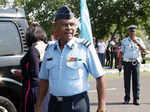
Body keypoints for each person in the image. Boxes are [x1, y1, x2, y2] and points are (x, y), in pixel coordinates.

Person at [36, 5, 106, 112]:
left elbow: (100, 77)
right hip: (54, 105)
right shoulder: (49, 49)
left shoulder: (84, 48)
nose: (69, 28)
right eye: (64, 24)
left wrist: (102, 105)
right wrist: (39, 104)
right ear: (55, 27)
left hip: (77, 104)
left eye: (72, 24)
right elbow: (44, 80)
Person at [20, 23, 49, 112]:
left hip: (34, 90)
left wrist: (22, 73)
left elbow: (34, 74)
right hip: (47, 89)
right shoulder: (48, 47)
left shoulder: (33, 49)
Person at [118, 25, 147, 105]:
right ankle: (127, 98)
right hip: (127, 63)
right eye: (131, 32)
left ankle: (136, 99)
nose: (132, 33)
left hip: (136, 63)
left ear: (135, 32)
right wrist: (119, 64)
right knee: (126, 81)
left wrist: (137, 43)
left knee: (136, 82)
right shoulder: (124, 41)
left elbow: (144, 51)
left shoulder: (139, 40)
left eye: (133, 32)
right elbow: (121, 53)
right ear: (128, 32)